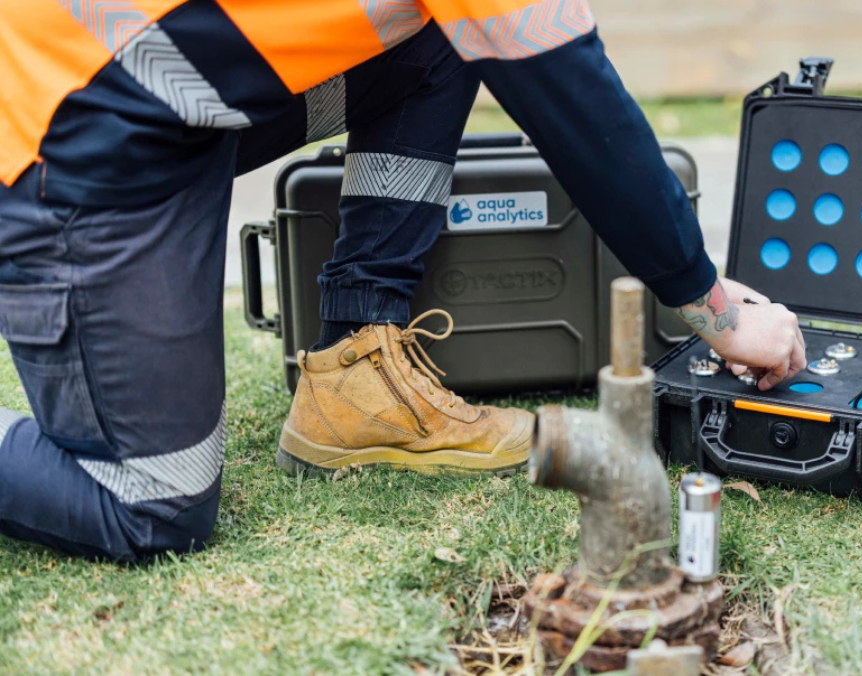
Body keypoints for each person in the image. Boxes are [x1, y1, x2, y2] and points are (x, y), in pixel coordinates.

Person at [0, 0, 807, 562]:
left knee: (440, 40)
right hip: (66, 128)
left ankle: (355, 368)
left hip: (171, 89)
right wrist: (715, 310)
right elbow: (567, 86)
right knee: (149, 503)